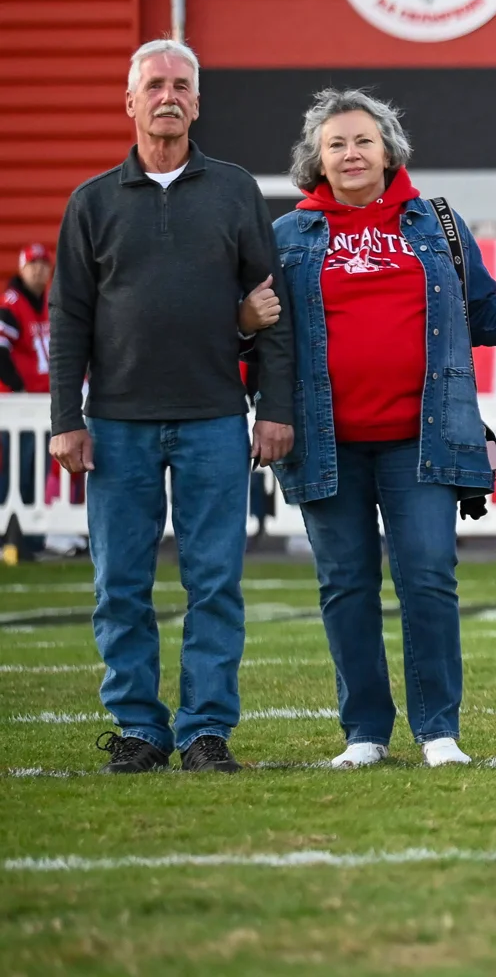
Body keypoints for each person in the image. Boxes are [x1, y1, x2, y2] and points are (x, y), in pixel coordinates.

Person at [273, 89, 496, 769]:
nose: (351, 153)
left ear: (389, 149)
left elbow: (484, 316)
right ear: (316, 159)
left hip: (421, 439)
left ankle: (438, 731)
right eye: (335, 143)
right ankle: (365, 733)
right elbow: (262, 338)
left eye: (363, 140)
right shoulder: (286, 237)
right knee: (346, 584)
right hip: (325, 440)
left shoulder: (438, 226)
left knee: (428, 578)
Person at [50, 39, 295, 774]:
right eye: (153, 84)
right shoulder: (91, 203)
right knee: (119, 583)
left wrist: (274, 407)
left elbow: (272, 307)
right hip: (118, 423)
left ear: (197, 100)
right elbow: (69, 319)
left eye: (180, 85)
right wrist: (67, 417)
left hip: (216, 418)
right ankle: (137, 726)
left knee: (214, 582)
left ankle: (205, 730)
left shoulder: (234, 190)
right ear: (129, 101)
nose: (168, 96)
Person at [0, 244, 52, 393]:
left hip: (48, 394)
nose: (39, 269)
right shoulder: (10, 305)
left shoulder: (53, 302)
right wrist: (18, 387)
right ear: (22, 269)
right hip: (20, 399)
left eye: (44, 263)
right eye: (33, 263)